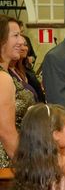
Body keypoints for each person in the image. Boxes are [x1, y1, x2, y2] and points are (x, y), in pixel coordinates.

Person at [0, 15, 35, 168]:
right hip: (7, 163)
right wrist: (25, 167)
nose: (21, 41)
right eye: (16, 35)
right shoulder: (3, 78)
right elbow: (6, 132)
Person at [9, 35, 45, 102]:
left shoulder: (23, 68)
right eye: (19, 45)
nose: (24, 48)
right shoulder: (7, 72)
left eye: (25, 45)